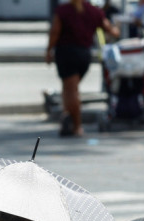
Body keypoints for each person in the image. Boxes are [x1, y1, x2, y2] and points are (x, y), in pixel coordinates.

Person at [46, 0, 120, 137]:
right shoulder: (93, 11)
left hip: (66, 53)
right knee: (69, 89)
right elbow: (111, 30)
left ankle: (77, 125)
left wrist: (49, 50)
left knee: (71, 91)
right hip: (84, 54)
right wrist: (118, 27)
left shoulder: (63, 10)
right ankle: (68, 118)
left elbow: (55, 32)